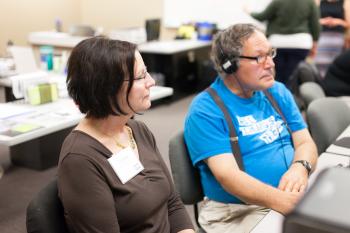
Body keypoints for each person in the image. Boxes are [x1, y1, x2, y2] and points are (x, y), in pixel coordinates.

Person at [184, 24, 318, 233]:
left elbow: (305, 142)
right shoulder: (206, 110)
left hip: (290, 194)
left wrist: (300, 167)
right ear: (229, 65)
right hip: (236, 211)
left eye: (270, 54)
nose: (270, 64)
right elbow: (228, 177)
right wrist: (282, 201)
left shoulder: (277, 91)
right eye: (259, 57)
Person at [58, 36, 195, 233]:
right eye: (141, 77)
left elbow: (172, 204)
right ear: (108, 87)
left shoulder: (137, 131)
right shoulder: (79, 160)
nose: (151, 82)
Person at [249, 0, 321, 87]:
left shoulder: (277, 1)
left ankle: (276, 97)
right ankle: (290, 95)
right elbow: (315, 25)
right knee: (293, 76)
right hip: (301, 43)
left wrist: (249, 12)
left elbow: (262, 16)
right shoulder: (310, 2)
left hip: (278, 43)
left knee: (277, 76)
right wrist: (315, 43)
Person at [314, 0, 350, 77]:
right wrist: (323, 21)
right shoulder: (318, 1)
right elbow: (313, 20)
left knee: (337, 67)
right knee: (319, 67)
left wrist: (337, 21)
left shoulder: (346, 2)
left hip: (339, 39)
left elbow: (348, 23)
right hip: (322, 39)